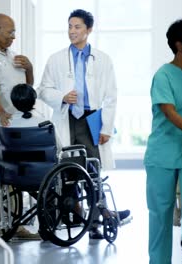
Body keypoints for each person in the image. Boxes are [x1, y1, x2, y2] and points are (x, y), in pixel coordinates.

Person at [37, 9, 130, 239]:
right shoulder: (56, 59)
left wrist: (106, 128)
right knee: (68, 171)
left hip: (91, 120)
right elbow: (43, 89)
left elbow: (111, 96)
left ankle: (97, 223)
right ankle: (72, 215)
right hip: (67, 118)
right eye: (69, 26)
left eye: (77, 27)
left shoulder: (103, 59)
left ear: (88, 30)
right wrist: (61, 96)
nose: (72, 31)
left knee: (94, 172)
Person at [144, 19, 182, 264]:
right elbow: (169, 111)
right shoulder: (163, 75)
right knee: (161, 214)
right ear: (180, 45)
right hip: (163, 156)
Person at [0, 14, 36, 240]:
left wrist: (30, 68)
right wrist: (1, 111)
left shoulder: (13, 56)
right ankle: (0, 224)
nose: (14, 36)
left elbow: (27, 90)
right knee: (0, 175)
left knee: (16, 174)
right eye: (10, 32)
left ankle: (16, 222)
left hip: (17, 125)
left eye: (15, 32)